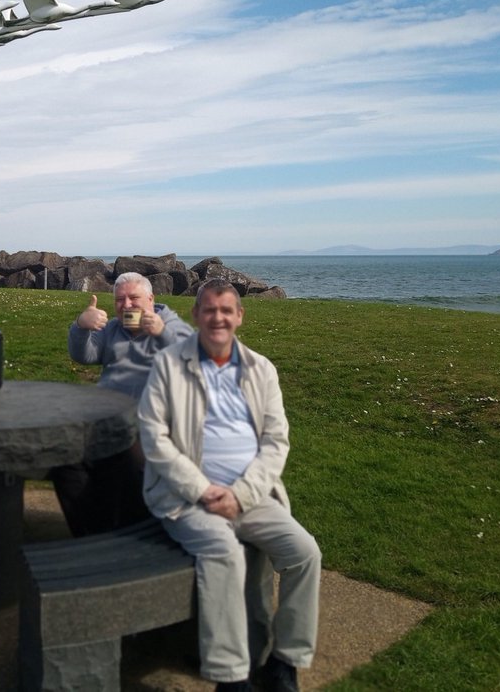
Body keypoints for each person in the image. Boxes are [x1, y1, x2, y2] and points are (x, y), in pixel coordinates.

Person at [138, 279, 321, 692]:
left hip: (250, 497)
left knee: (305, 553)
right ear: (195, 315)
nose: (217, 317)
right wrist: (204, 491)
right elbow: (154, 438)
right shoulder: (168, 365)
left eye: (226, 310)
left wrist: (240, 494)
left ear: (239, 316)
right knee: (225, 554)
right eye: (209, 309)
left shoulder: (261, 369)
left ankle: (285, 661)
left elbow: (276, 442)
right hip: (187, 499)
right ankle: (231, 677)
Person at [56, 271, 193, 536]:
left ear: (151, 299)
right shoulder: (113, 330)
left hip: (148, 423)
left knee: (124, 461)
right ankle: (91, 534)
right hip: (107, 418)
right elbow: (85, 355)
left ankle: (127, 532)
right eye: (120, 300)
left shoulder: (172, 327)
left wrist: (161, 334)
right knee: (65, 459)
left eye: (134, 298)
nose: (127, 305)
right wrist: (81, 326)